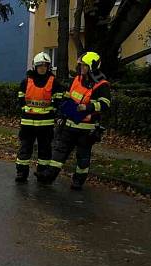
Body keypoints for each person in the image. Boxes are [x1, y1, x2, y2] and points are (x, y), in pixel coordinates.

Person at [37, 51, 111, 190]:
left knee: (82, 157)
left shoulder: (101, 85)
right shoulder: (76, 80)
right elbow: (66, 99)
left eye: (84, 66)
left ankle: (78, 181)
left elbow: (105, 104)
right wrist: (60, 115)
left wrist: (87, 107)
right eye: (81, 65)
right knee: (59, 151)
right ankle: (48, 176)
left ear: (92, 66)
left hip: (87, 128)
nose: (81, 68)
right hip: (70, 124)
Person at [15, 52, 65, 182]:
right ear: (35, 67)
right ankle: (22, 173)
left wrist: (53, 113)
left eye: (45, 66)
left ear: (48, 67)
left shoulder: (54, 82)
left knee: (45, 150)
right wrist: (24, 111)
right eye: (40, 66)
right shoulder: (26, 81)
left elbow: (59, 101)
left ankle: (42, 173)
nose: (42, 68)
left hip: (45, 124)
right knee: (25, 149)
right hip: (28, 123)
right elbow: (20, 98)